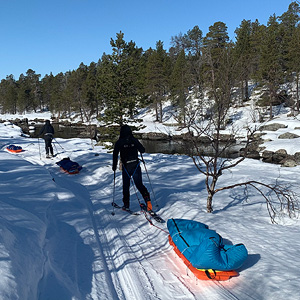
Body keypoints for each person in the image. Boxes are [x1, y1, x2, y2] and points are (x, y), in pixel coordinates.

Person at [112, 124, 152, 211]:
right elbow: (142, 150)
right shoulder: (134, 140)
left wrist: (114, 166)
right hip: (136, 166)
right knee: (139, 185)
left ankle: (126, 205)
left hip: (126, 167)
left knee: (126, 186)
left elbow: (115, 154)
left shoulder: (119, 142)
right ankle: (148, 200)